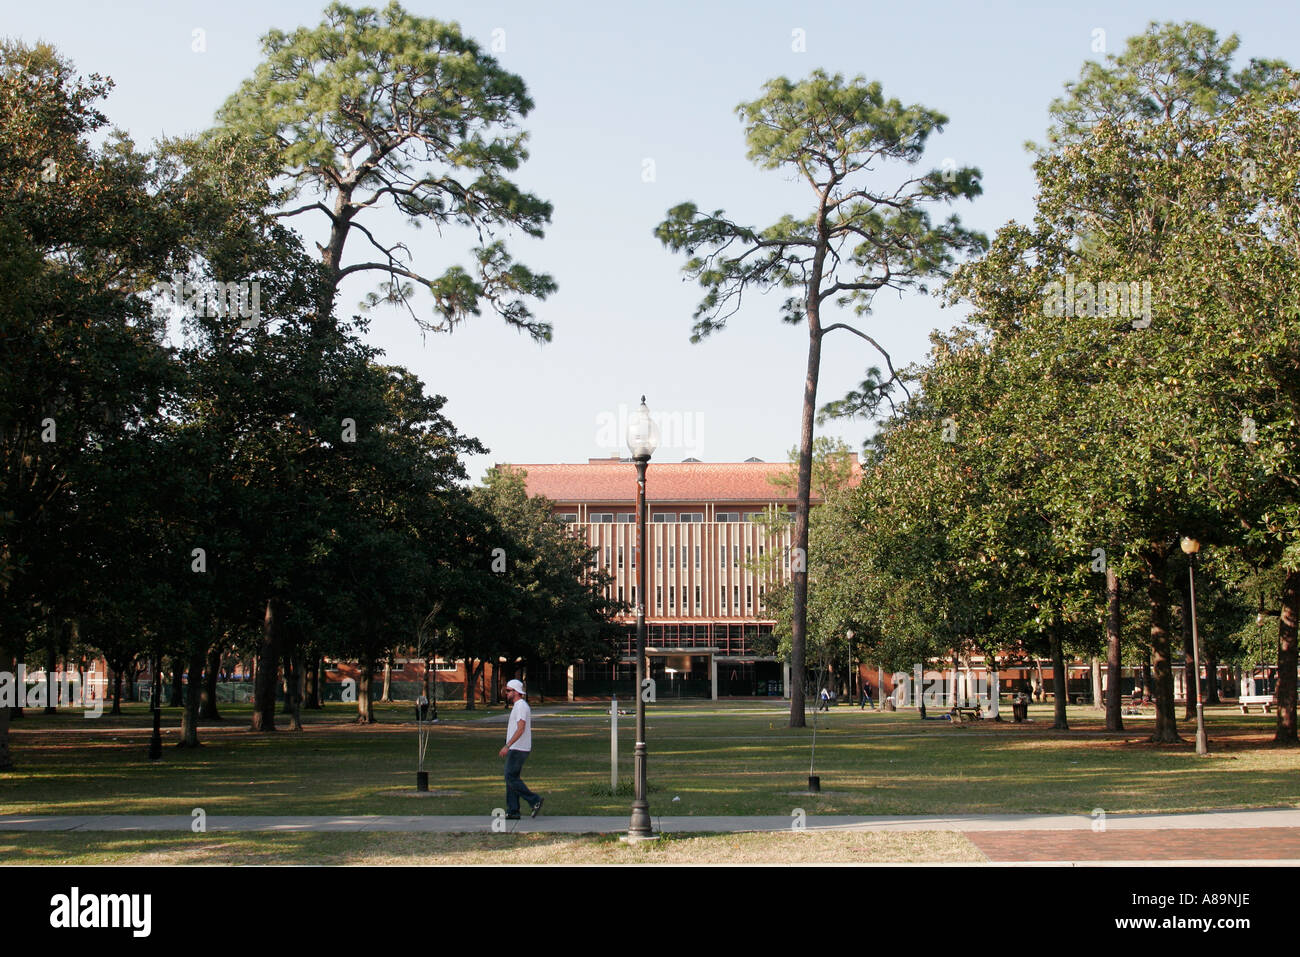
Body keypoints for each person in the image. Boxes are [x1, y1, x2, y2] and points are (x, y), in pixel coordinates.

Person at [498, 679, 542, 820]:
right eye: (506, 690)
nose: (506, 693)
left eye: (509, 691)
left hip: (518, 748)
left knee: (510, 777)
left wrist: (507, 745)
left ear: (516, 692)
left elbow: (521, 728)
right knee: (512, 778)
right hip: (516, 747)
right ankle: (513, 810)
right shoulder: (518, 706)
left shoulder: (521, 706)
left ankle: (534, 800)